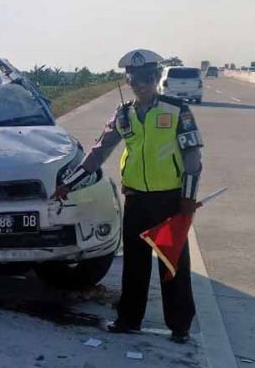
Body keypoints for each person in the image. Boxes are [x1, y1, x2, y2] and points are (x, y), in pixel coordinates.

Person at [57, 49, 203, 344]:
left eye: (148, 78)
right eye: (135, 79)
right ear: (128, 81)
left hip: (170, 201)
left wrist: (188, 198)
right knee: (135, 265)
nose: (141, 85)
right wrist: (68, 182)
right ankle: (128, 319)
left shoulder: (177, 111)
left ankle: (180, 325)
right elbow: (98, 153)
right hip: (136, 199)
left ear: (158, 78)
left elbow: (192, 156)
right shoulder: (123, 115)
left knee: (172, 264)